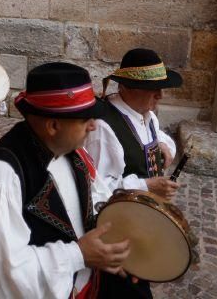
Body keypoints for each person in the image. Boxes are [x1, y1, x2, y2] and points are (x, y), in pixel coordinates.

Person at [0, 62, 131, 299]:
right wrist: (78, 255)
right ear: (53, 126)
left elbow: (89, 207)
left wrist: (110, 250)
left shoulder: (71, 154)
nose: (93, 126)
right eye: (85, 120)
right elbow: (5, 274)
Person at [84, 47, 182, 299]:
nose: (160, 96)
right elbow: (97, 190)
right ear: (127, 87)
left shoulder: (145, 114)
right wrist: (147, 185)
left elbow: (157, 135)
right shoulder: (105, 127)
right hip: (115, 229)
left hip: (140, 220)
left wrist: (166, 146)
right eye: (153, 89)